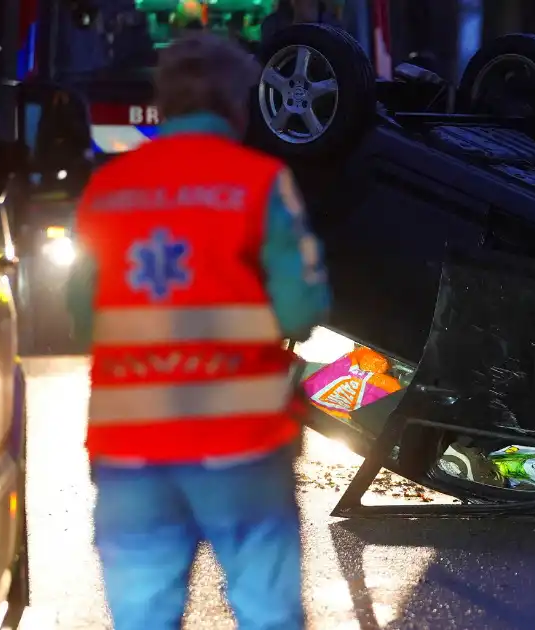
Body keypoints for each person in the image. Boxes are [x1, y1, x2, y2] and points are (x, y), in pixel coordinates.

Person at [65, 32, 329, 630]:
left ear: (163, 102)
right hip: (242, 447)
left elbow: (82, 317)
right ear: (237, 103)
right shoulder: (260, 182)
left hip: (131, 450)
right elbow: (301, 310)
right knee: (268, 613)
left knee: (143, 618)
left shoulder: (107, 190)